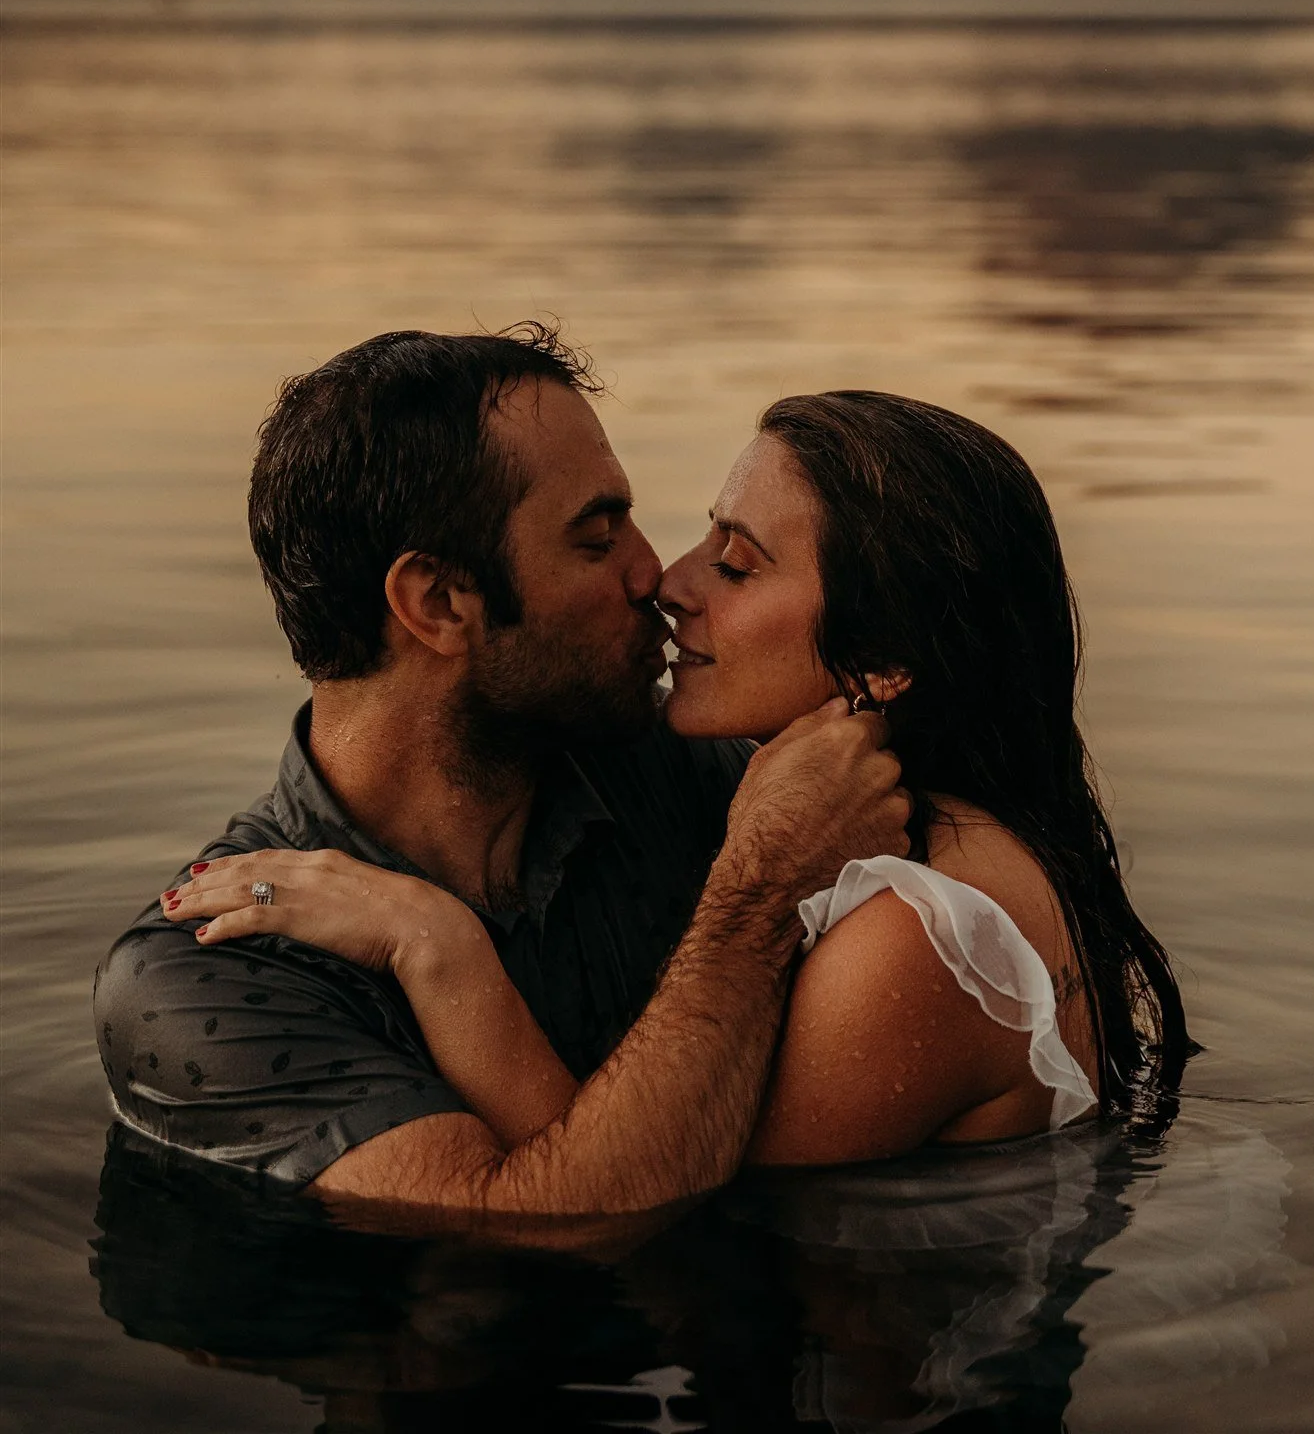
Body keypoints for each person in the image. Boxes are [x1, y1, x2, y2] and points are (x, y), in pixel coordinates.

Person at [166, 384, 1189, 1182]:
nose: (672, 581)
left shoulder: (919, 935)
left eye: (736, 564)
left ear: (880, 661)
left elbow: (659, 1214)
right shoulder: (917, 837)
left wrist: (438, 947)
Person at [94, 327, 907, 1219]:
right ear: (439, 603)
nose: (656, 573)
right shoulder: (205, 979)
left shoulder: (685, 777)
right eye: (597, 539)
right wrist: (753, 902)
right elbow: (553, 1232)